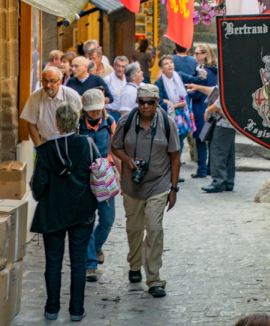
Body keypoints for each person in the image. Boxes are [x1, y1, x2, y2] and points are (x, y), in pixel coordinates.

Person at [30, 102, 99, 322]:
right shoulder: (87, 144)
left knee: (53, 262)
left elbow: (38, 187)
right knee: (78, 262)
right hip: (82, 211)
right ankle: (77, 311)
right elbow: (97, 175)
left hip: (53, 212)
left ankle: (52, 309)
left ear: (57, 123)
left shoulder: (45, 150)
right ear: (78, 121)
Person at [111, 83, 180, 298]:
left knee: (154, 228)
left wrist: (174, 189)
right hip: (132, 185)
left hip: (158, 184)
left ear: (157, 102)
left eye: (151, 102)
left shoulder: (167, 124)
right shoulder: (126, 121)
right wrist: (128, 161)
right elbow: (115, 147)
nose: (146, 106)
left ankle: (154, 279)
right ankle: (134, 264)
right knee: (134, 228)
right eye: (142, 102)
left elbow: (175, 156)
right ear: (137, 102)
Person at [78, 89, 115, 282]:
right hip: (83, 178)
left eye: (97, 110)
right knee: (86, 221)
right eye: (90, 110)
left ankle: (97, 244)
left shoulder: (109, 122)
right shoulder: (77, 125)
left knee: (108, 219)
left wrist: (117, 170)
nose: (94, 113)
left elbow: (116, 147)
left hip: (105, 177)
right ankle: (90, 263)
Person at [21, 66, 82, 146]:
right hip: (46, 142)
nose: (48, 85)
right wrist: (39, 147)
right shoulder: (35, 97)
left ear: (60, 82)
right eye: (45, 81)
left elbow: (78, 122)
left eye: (52, 81)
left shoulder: (72, 96)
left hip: (68, 143)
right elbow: (31, 123)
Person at [155, 55, 195, 156]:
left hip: (183, 114)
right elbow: (159, 103)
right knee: (173, 141)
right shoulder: (159, 82)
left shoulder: (179, 76)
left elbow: (195, 80)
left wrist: (202, 75)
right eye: (166, 64)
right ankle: (172, 161)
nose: (169, 65)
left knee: (180, 139)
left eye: (171, 63)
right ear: (161, 68)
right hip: (170, 117)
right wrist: (175, 105)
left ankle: (176, 160)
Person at [189, 43, 218, 179]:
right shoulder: (214, 70)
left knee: (200, 139)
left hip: (201, 107)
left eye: (197, 53)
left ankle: (201, 169)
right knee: (210, 139)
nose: (195, 55)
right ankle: (210, 168)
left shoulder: (203, 71)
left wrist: (188, 92)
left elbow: (198, 93)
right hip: (213, 107)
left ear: (204, 55)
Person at [202, 86, 236, 193]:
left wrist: (208, 110)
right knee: (229, 154)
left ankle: (218, 182)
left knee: (218, 152)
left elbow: (221, 101)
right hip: (230, 122)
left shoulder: (230, 79)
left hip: (223, 122)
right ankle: (228, 182)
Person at [104, 56, 129, 122]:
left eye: (123, 67)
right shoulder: (108, 79)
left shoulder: (128, 79)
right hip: (111, 113)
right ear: (114, 66)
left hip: (124, 114)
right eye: (118, 66)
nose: (120, 69)